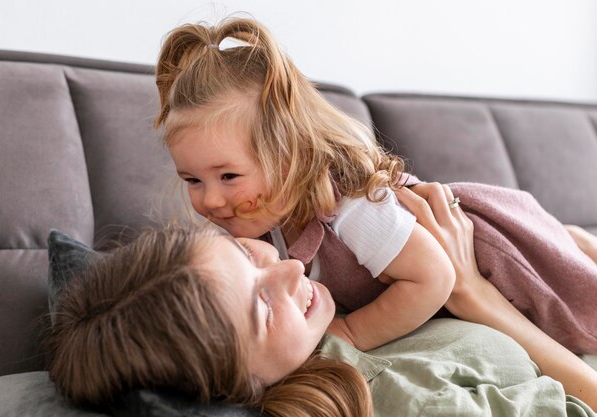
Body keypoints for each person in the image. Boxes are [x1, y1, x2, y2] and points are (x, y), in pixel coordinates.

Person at [153, 17, 597, 354]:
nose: (210, 200)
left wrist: (353, 331)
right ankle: (576, 238)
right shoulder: (261, 221)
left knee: (579, 318)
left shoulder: (353, 207)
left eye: (229, 176)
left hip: (500, 254)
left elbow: (434, 277)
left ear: (292, 155)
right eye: (192, 180)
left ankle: (575, 242)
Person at [46, 187, 597, 416]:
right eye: (262, 308)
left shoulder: (341, 306)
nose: (290, 267)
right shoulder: (408, 398)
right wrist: (472, 293)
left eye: (248, 253)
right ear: (237, 385)